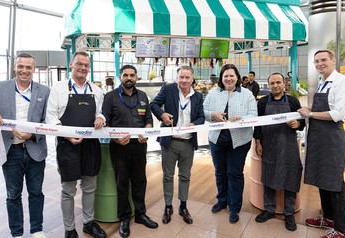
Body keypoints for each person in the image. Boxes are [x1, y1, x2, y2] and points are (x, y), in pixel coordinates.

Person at [0, 53, 50, 238]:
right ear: (14, 67)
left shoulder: (44, 91)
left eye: (28, 67)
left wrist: (32, 133)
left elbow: (48, 123)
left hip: (35, 150)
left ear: (34, 69)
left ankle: (37, 230)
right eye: (21, 66)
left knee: (36, 192)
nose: (24, 70)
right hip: (10, 151)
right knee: (13, 195)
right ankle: (17, 233)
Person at [46, 52, 107, 238]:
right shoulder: (58, 88)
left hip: (90, 145)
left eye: (86, 65)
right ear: (71, 64)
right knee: (68, 189)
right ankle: (70, 228)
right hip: (67, 144)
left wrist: (100, 117)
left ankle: (88, 223)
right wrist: (66, 135)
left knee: (90, 186)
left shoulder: (96, 90)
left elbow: (102, 112)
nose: (83, 68)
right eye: (79, 64)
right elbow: (51, 116)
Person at [298, 50, 345, 238]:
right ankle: (328, 218)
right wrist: (309, 109)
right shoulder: (322, 82)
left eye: (323, 60)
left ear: (333, 60)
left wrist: (311, 114)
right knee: (322, 178)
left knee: (335, 183)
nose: (319, 64)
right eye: (316, 61)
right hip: (319, 137)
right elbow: (325, 107)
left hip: (331, 139)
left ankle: (340, 230)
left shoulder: (342, 82)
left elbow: (338, 114)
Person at [101, 65, 158, 237]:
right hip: (119, 147)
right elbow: (106, 124)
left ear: (136, 78)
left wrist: (147, 133)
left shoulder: (142, 96)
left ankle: (140, 214)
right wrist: (115, 138)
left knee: (140, 180)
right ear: (120, 77)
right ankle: (124, 218)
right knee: (122, 182)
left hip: (139, 146)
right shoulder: (110, 97)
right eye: (125, 75)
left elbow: (148, 119)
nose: (129, 78)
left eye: (132, 75)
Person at [150, 65, 205, 225]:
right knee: (168, 176)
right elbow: (153, 104)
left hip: (188, 142)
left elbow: (201, 116)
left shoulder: (198, 96)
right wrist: (162, 114)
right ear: (177, 78)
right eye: (181, 77)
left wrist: (195, 123)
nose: (184, 80)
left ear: (192, 79)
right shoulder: (168, 90)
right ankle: (168, 206)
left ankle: (183, 206)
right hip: (170, 141)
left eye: (187, 77)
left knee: (185, 176)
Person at [203, 64, 257, 223]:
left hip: (239, 141)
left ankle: (234, 207)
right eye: (225, 76)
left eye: (231, 76)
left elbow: (254, 115)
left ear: (237, 77)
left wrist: (241, 119)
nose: (228, 78)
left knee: (234, 173)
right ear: (221, 78)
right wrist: (212, 114)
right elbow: (203, 112)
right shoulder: (213, 93)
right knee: (220, 171)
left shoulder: (247, 94)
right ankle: (222, 201)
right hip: (216, 140)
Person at [253, 73, 305, 231]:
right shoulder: (262, 102)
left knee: (291, 176)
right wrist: (258, 142)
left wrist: (298, 124)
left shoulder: (293, 101)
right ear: (268, 85)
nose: (275, 86)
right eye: (272, 83)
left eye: (278, 82)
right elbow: (258, 125)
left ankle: (289, 213)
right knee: (268, 176)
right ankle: (269, 209)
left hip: (288, 145)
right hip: (268, 144)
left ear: (284, 84)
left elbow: (302, 121)